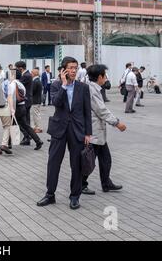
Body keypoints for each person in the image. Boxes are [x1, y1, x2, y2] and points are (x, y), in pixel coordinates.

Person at [37, 56, 92, 210]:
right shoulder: (55, 85)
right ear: (63, 70)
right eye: (71, 68)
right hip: (59, 130)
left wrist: (88, 133)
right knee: (53, 163)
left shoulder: (83, 87)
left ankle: (75, 196)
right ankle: (50, 194)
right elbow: (56, 103)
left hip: (77, 131)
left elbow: (87, 112)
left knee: (77, 165)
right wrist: (64, 84)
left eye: (76, 68)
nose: (74, 70)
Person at [81, 64, 125, 195]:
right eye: (105, 76)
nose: (106, 78)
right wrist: (116, 123)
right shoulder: (91, 90)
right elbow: (101, 110)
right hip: (93, 132)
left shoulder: (94, 88)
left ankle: (106, 183)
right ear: (99, 77)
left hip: (97, 132)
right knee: (89, 160)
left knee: (105, 159)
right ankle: (82, 184)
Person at [8, 68, 43, 151]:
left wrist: (11, 108)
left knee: (11, 125)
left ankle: (7, 144)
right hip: (22, 107)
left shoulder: (12, 84)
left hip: (16, 108)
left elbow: (11, 97)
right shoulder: (20, 84)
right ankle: (38, 141)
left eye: (11, 74)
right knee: (26, 126)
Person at [15, 61, 33, 145]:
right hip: (27, 100)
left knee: (21, 121)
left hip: (25, 102)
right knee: (25, 121)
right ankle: (27, 137)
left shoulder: (26, 76)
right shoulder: (27, 75)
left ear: (20, 68)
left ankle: (27, 137)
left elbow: (17, 85)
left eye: (16, 69)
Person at [31, 68, 43, 133]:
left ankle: (38, 127)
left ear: (35, 73)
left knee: (36, 115)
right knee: (36, 114)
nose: (31, 74)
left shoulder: (35, 81)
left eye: (32, 73)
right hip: (37, 100)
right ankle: (36, 127)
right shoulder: (37, 80)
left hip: (35, 100)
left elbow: (32, 91)